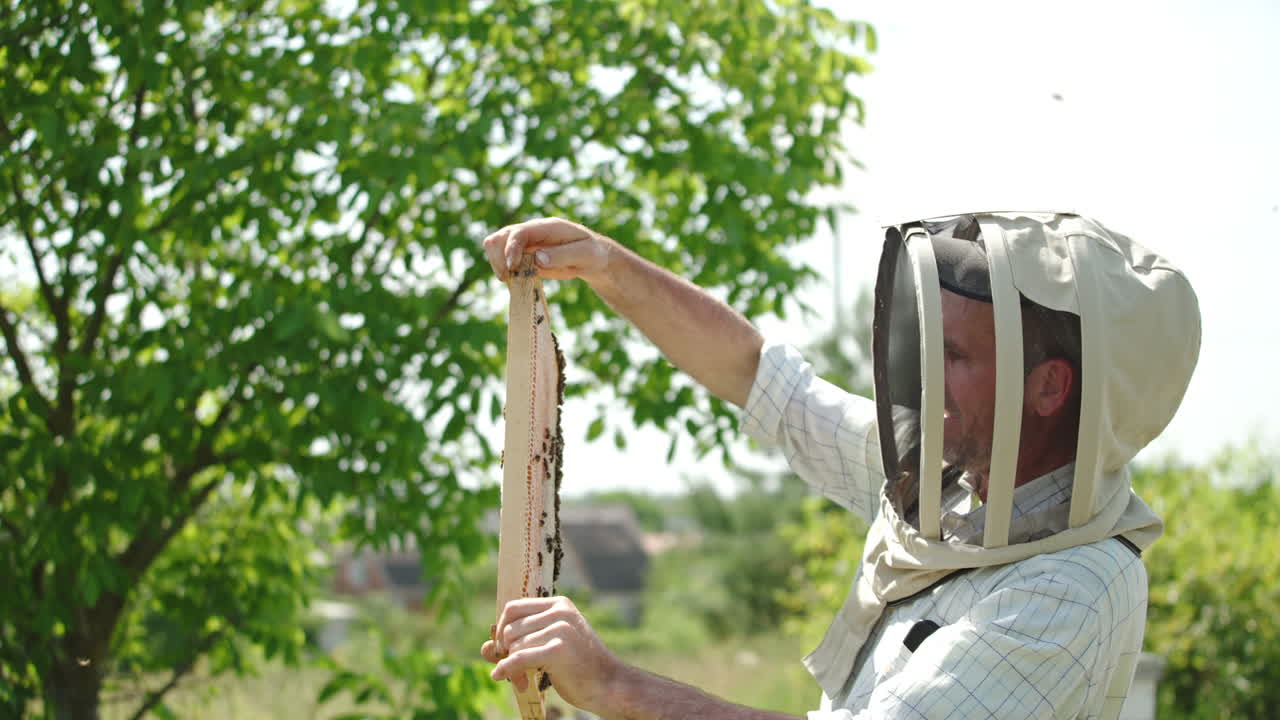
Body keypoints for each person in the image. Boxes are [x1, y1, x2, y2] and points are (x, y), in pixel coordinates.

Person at [479, 212, 1200, 720]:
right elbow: (768, 383)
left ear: (1048, 387)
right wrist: (608, 265)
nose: (922, 378)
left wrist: (612, 685)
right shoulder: (945, 493)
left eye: (954, 357)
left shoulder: (1073, 585)